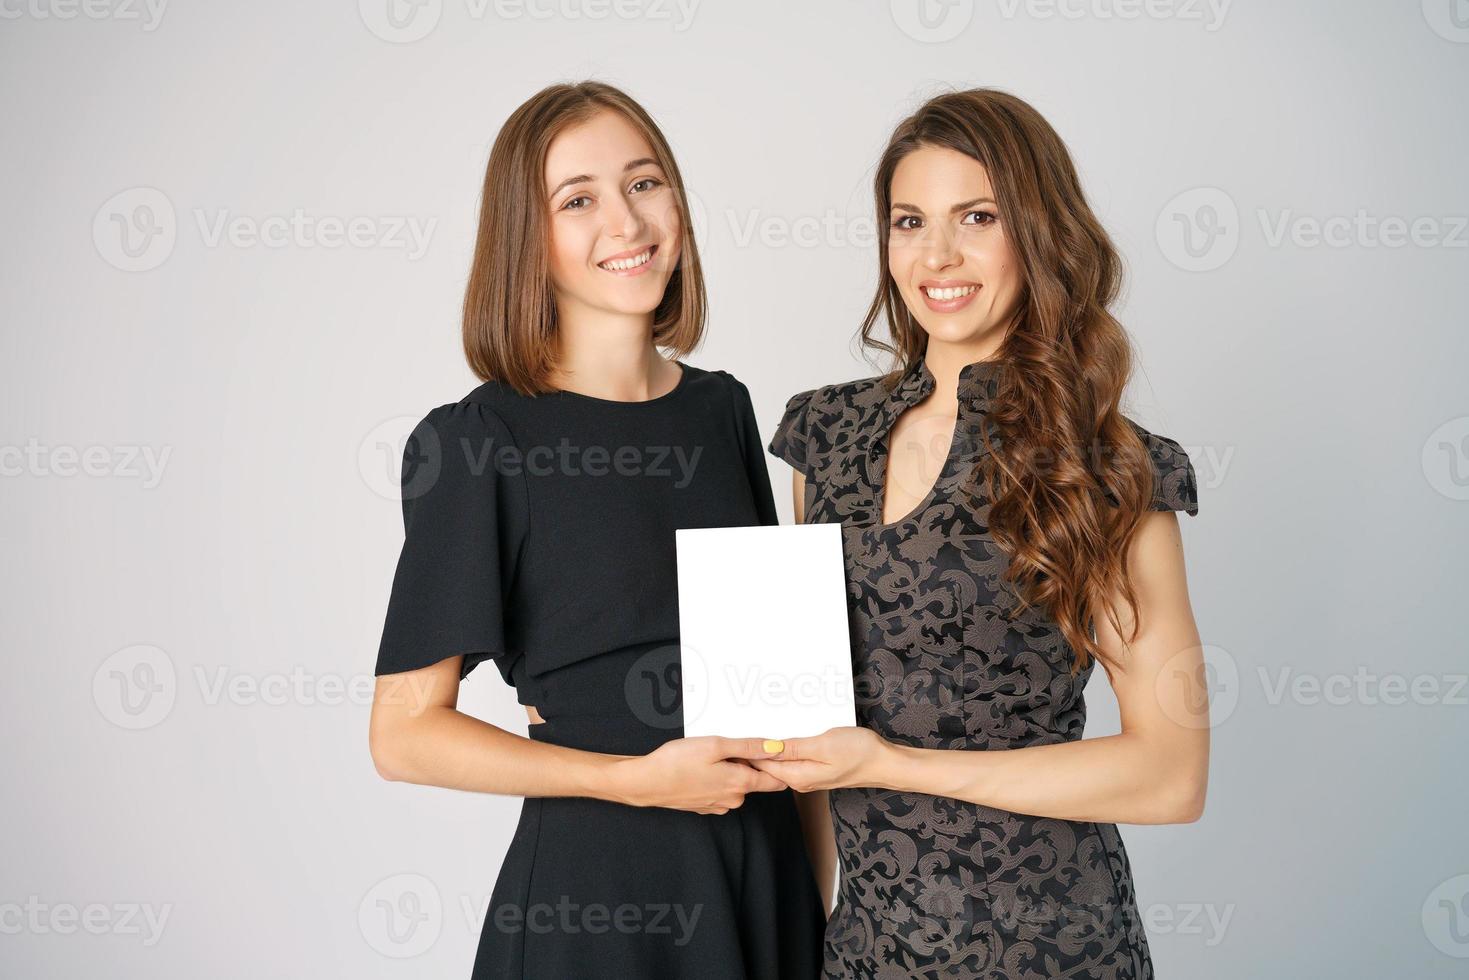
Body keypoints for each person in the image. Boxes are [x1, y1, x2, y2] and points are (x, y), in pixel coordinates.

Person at [368, 80, 824, 979]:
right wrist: (631, 778)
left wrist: (816, 904)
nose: (626, 221)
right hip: (602, 899)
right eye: (577, 200)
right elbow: (403, 734)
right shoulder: (478, 442)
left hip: (764, 881)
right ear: (525, 241)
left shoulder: (722, 410)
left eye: (644, 183)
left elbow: (786, 698)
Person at [761, 88, 1209, 979]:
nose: (937, 255)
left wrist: (893, 763)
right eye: (908, 221)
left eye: (977, 216)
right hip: (865, 952)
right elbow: (802, 730)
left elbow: (1169, 774)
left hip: (1053, 946)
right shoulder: (824, 437)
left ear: (1038, 233)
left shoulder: (1108, 466)